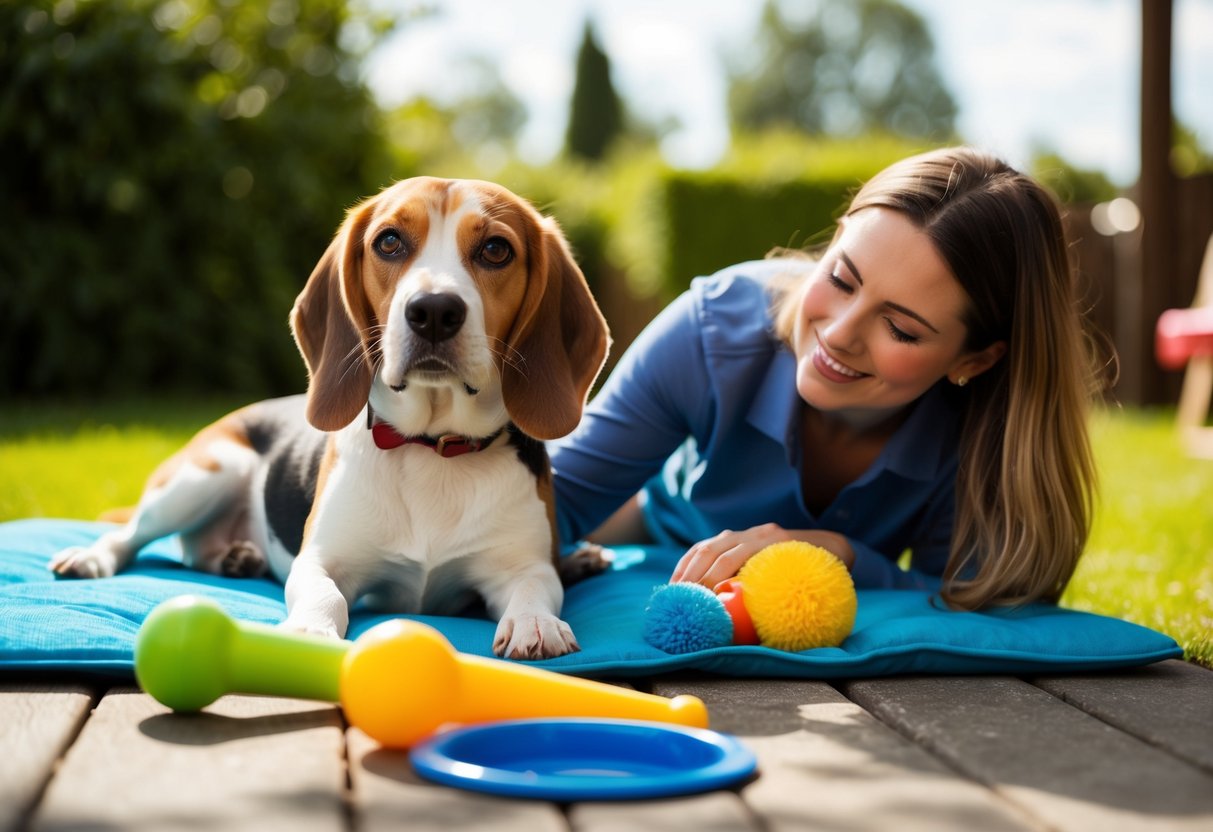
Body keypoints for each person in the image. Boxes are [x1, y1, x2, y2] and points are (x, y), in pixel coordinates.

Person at [549, 146, 1105, 610]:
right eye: (841, 277)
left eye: (901, 329)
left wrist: (839, 552)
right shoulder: (712, 329)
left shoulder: (986, 428)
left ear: (975, 361)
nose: (839, 333)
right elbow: (551, 497)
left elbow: (980, 597)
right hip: (655, 518)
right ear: (836, 239)